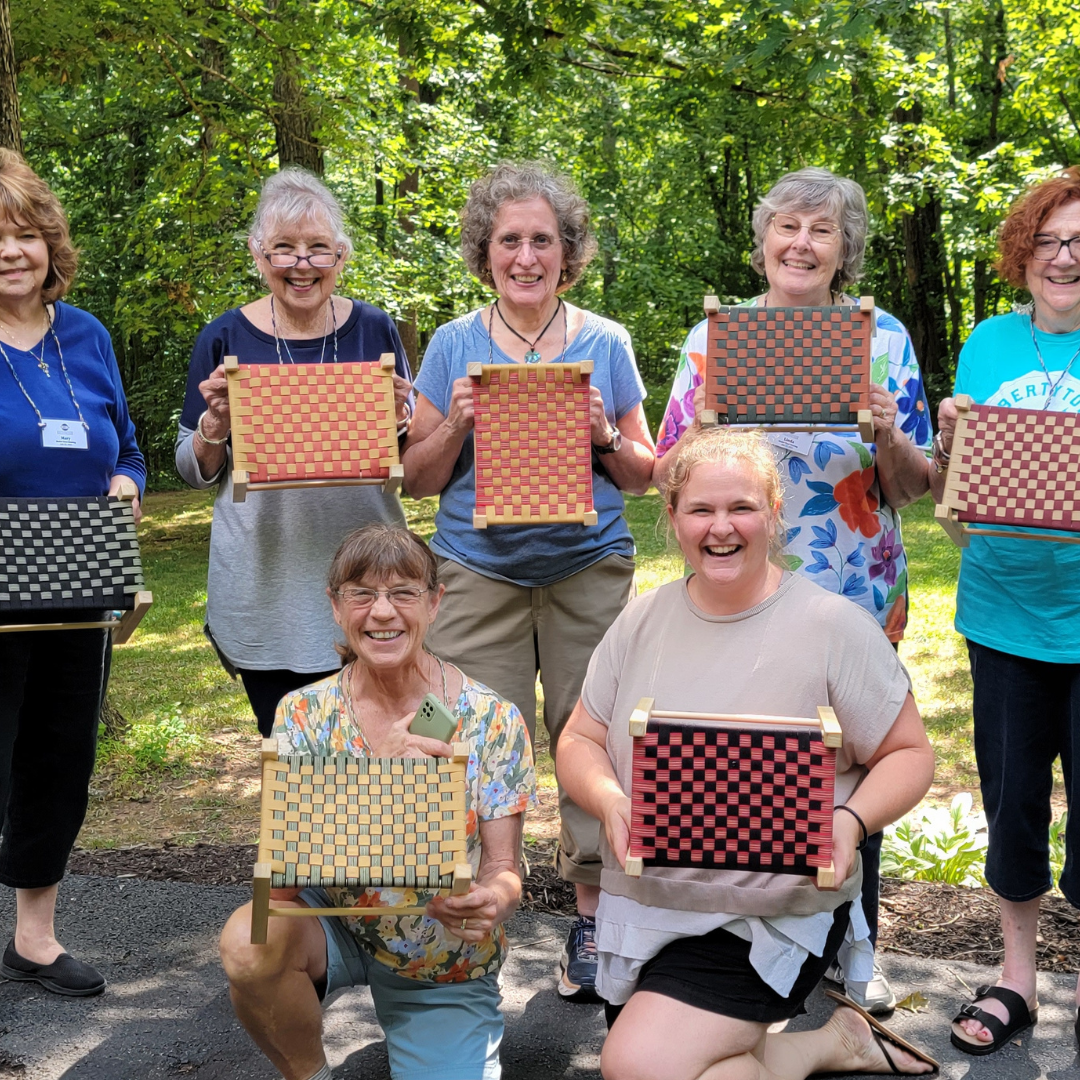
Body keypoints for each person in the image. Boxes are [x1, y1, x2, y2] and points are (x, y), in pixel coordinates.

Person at [556, 426, 937, 1080]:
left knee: (638, 1063)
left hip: (772, 908)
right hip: (651, 902)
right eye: (700, 510)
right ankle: (834, 1043)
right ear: (672, 519)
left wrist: (849, 822)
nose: (720, 528)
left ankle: (822, 1042)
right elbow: (579, 740)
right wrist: (609, 798)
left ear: (774, 514)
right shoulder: (639, 622)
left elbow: (910, 753)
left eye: (741, 508)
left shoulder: (831, 626)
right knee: (696, 1071)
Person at [652, 167, 933, 1014]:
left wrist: (888, 431)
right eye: (787, 228)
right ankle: (748, 940)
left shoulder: (881, 338)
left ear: (844, 250)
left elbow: (915, 487)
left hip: (855, 582)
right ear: (764, 241)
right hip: (742, 579)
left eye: (821, 231)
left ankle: (857, 944)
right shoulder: (715, 338)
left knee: (859, 760)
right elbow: (665, 475)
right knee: (750, 751)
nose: (801, 244)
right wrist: (702, 426)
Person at [402, 161, 655, 1001]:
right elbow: (417, 478)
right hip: (475, 576)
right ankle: (461, 920)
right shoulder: (452, 343)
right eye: (509, 239)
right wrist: (458, 427)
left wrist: (603, 438)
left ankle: (593, 920)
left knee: (594, 741)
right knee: (453, 737)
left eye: (542, 239)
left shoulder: (605, 341)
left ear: (567, 250)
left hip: (589, 573)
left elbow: (646, 474)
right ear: (486, 250)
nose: (525, 255)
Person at [219, 524, 535, 1080]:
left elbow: (505, 867)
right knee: (250, 938)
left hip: (440, 956)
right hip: (333, 925)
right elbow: (281, 886)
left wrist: (488, 903)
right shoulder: (302, 712)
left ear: (435, 602)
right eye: (361, 593)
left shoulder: (492, 717)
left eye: (403, 593)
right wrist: (375, 783)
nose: (382, 612)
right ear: (336, 607)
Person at [176, 167, 413, 737]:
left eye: (317, 249)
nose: (300, 264)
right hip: (265, 582)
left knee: (385, 737)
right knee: (291, 746)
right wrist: (214, 425)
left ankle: (384, 830)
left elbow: (406, 456)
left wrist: (402, 420)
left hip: (369, 575)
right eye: (284, 248)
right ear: (259, 255)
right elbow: (190, 467)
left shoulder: (375, 329)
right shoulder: (225, 335)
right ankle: (304, 831)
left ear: (342, 255)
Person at [932, 166, 1080, 1056]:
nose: (1066, 258)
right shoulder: (988, 341)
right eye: (1051, 241)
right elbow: (962, 493)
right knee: (1013, 806)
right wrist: (954, 439)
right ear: (1023, 255)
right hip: (1001, 616)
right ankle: (1017, 980)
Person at [0, 149, 146, 997]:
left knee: (59, 758)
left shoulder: (84, 334)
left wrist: (126, 478)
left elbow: (120, 443)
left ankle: (34, 938)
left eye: (25, 233)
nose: (13, 250)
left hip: (82, 584)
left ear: (50, 243)